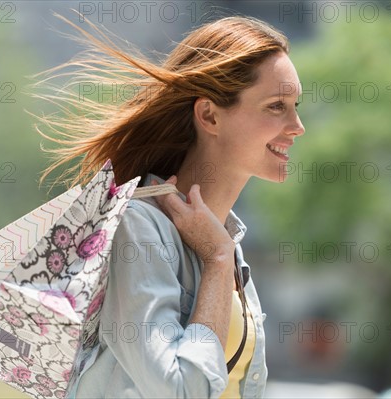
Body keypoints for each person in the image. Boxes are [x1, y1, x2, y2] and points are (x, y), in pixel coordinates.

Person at [31, 11, 305, 399]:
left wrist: (221, 254)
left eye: (296, 105)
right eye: (277, 106)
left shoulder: (225, 241)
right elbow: (178, 391)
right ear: (209, 115)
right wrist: (216, 262)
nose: (297, 125)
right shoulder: (142, 228)